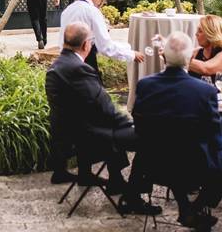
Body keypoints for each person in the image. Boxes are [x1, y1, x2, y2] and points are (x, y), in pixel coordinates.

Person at [44, 23, 161, 215]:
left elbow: (93, 106)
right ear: (86, 45)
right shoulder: (79, 69)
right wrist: (131, 123)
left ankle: (114, 181)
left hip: (67, 132)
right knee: (146, 138)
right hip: (84, 136)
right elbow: (105, 107)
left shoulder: (58, 65)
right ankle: (132, 198)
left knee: (117, 128)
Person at [133, 31, 222, 229]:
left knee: (176, 152)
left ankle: (187, 208)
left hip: (152, 165)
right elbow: (216, 139)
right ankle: (196, 206)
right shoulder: (205, 92)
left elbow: (139, 123)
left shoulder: (145, 85)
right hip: (196, 169)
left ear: (165, 56)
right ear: (189, 58)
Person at [58, 0, 143, 73]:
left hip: (64, 63)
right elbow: (105, 46)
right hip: (85, 64)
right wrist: (131, 54)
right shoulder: (92, 12)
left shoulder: (68, 10)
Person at [188, 14, 222, 84]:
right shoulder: (196, 52)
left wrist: (177, 57)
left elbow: (206, 69)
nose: (196, 34)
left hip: (218, 94)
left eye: (200, 31)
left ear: (211, 34)